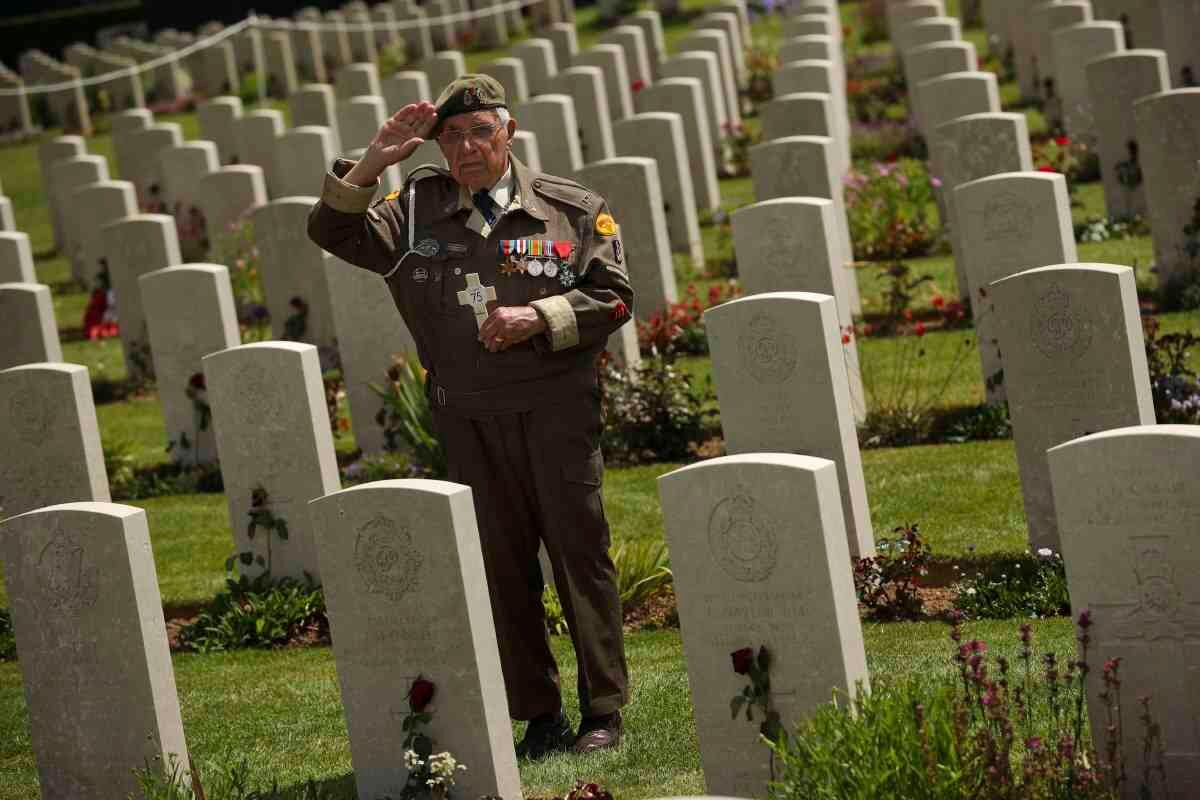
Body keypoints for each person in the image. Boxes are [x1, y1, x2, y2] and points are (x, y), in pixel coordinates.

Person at [307, 74, 633, 758]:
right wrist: (375, 160)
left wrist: (538, 316)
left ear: (508, 133)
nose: (465, 148)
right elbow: (332, 229)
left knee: (580, 559)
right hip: (471, 421)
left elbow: (613, 299)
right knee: (500, 567)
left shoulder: (570, 210)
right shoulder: (415, 211)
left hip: (555, 416)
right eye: (450, 136)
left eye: (480, 132)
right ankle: (538, 712)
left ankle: (602, 709)